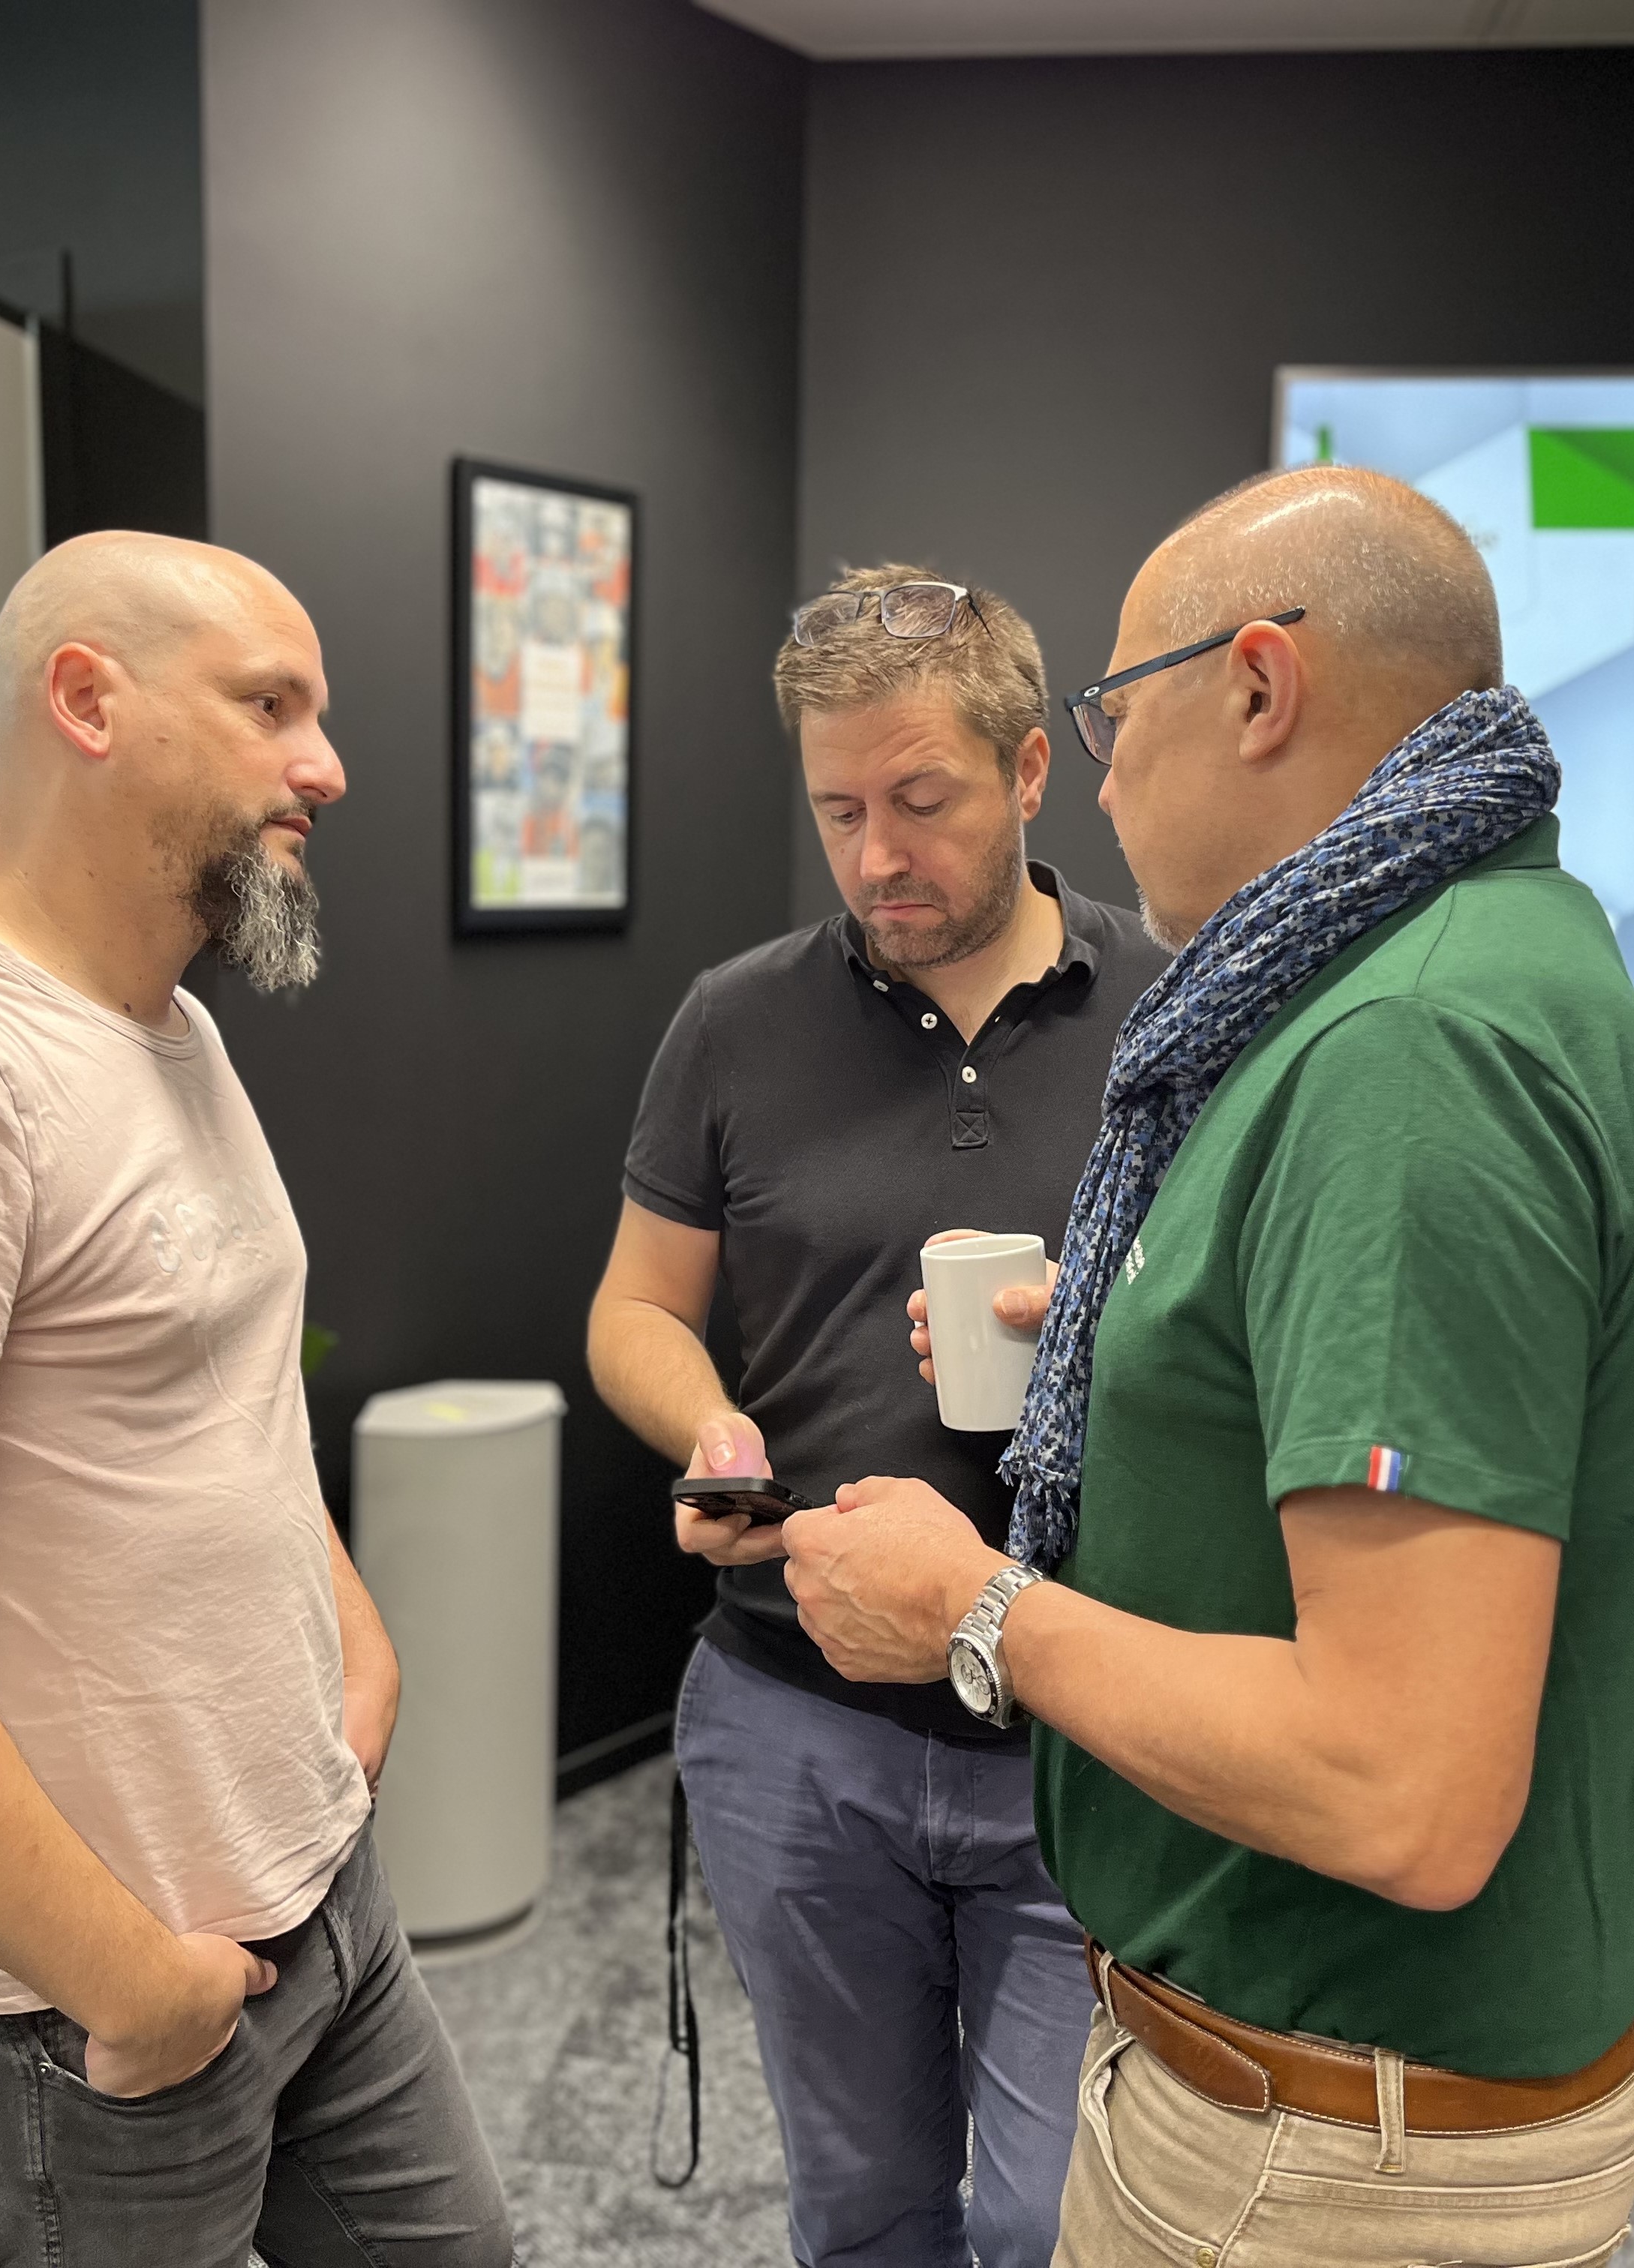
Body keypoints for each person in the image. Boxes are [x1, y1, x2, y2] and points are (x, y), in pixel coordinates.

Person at [782, 469, 1634, 2266]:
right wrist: (1153, 1336)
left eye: (1113, 717)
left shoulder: (1406, 1050)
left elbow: (1403, 1788)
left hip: (1320, 2150)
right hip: (1370, 2101)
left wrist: (968, 1609)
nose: (1106, 774)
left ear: (1257, 687)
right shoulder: (1489, 952)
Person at [0, 532, 512, 2268]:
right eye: (270, 708)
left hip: (317, 1909)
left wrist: (350, 1656)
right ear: (88, 698)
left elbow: (213, 1403)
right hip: (64, 2020)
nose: (328, 767)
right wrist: (132, 1988)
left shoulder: (169, 1031)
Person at [586, 566, 1165, 2267]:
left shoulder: (1176, 1014)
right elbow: (633, 1308)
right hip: (792, 1723)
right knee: (861, 2214)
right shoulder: (733, 1022)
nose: (873, 858)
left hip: (1075, 1716)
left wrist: (1107, 1335)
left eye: (917, 802)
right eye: (837, 809)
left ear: (1028, 775)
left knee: (1050, 2222)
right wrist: (707, 1429)